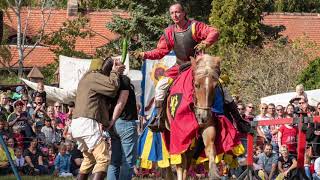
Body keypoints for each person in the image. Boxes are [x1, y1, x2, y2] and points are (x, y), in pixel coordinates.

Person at [133, 2, 249, 133]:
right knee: (161, 86)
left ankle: (238, 120)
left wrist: (205, 43)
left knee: (223, 89)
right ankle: (159, 118)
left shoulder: (195, 27)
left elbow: (214, 32)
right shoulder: (169, 32)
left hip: (198, 66)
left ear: (183, 13)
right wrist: (144, 54)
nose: (175, 15)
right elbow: (160, 51)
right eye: (172, 13)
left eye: (177, 12)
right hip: (180, 67)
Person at [70, 58, 124, 180]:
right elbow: (112, 87)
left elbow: (99, 105)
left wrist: (105, 122)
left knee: (89, 159)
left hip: (78, 123)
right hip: (86, 123)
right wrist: (115, 72)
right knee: (103, 158)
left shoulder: (86, 79)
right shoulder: (94, 76)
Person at [107, 64, 138, 180]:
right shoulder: (123, 80)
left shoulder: (107, 81)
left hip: (113, 125)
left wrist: (110, 122)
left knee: (115, 160)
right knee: (128, 161)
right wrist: (113, 119)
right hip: (124, 122)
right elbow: (121, 102)